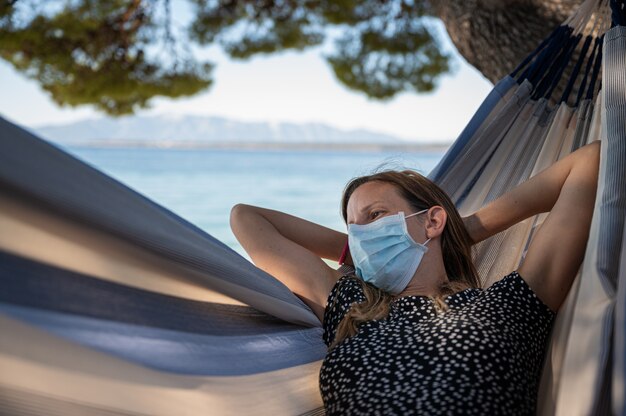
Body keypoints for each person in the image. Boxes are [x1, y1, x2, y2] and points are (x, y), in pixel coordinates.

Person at [230, 141, 600, 415]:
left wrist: (462, 230)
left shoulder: (508, 304)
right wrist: (360, 247)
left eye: (375, 215)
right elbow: (246, 218)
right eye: (353, 228)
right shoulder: (350, 308)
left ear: (432, 220)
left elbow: (590, 161)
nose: (362, 235)